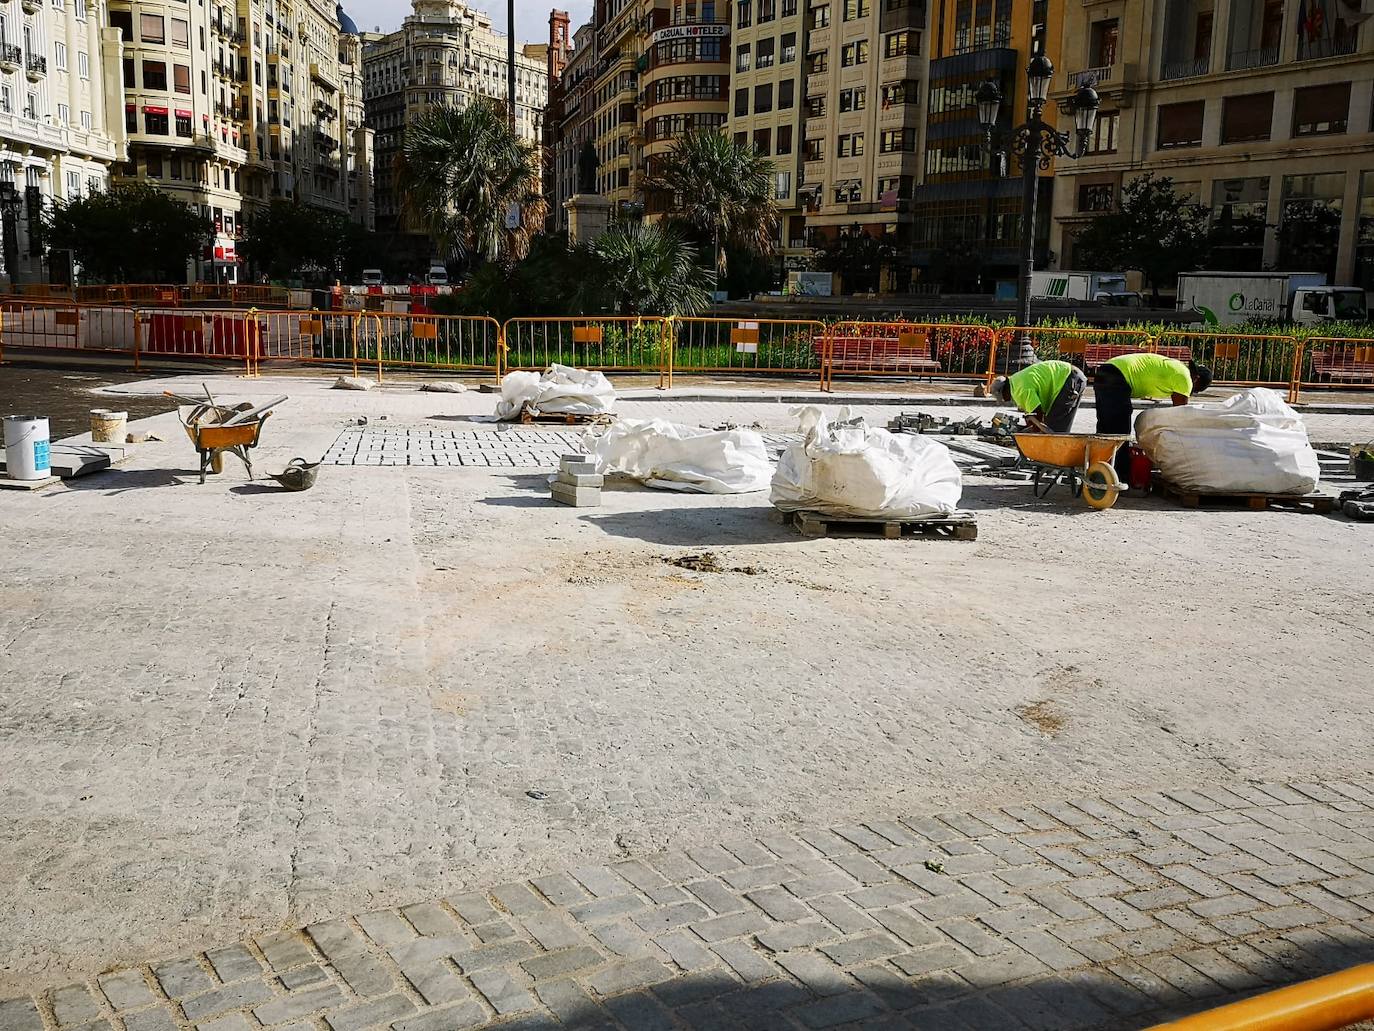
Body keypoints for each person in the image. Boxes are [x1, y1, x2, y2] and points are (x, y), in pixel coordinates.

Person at [1095, 353, 1213, 478]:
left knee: (1106, 428)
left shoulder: (1177, 367)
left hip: (1106, 370)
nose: (1190, 393)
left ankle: (1098, 470)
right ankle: (1119, 478)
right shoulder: (1185, 379)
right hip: (1118, 376)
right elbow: (1180, 416)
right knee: (1120, 432)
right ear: (1197, 379)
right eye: (1195, 390)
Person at [988, 359, 1087, 433]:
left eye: (1002, 398)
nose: (1005, 401)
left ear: (1004, 391)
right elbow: (1033, 414)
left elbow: (1036, 413)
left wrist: (1032, 433)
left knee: (1054, 429)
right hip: (1072, 377)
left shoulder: (1020, 390)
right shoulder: (1015, 381)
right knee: (1058, 427)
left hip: (1069, 379)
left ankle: (1054, 457)